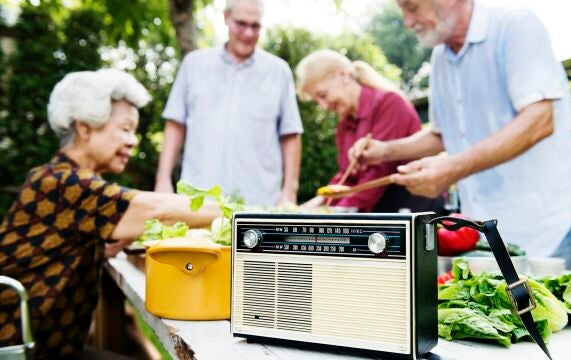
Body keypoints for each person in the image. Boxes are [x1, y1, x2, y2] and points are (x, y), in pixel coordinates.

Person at [349, 0, 571, 265]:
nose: (407, 22)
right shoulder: (440, 57)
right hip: (486, 234)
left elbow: (539, 121)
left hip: (550, 225)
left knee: (562, 307)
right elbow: (442, 134)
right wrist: (383, 151)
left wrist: (452, 168)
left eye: (412, 7)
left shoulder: (514, 24)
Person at [0, 69, 221, 358]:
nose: (133, 141)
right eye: (125, 128)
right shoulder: (60, 183)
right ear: (84, 128)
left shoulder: (73, 190)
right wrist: (240, 213)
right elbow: (157, 210)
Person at [155, 0, 303, 207]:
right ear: (226, 17)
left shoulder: (279, 72)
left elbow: (290, 134)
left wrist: (289, 192)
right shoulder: (194, 64)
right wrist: (163, 181)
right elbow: (175, 124)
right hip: (199, 199)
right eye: (241, 23)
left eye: (255, 26)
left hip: (259, 201)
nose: (248, 33)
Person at [296, 49, 444, 213]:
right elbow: (348, 176)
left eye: (323, 95)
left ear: (343, 75)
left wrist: (337, 212)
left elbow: (379, 171)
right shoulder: (344, 125)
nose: (323, 106)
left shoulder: (389, 104)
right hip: (380, 211)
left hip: (413, 209)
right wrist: (320, 201)